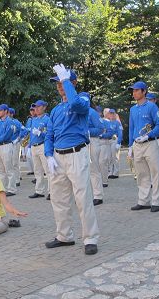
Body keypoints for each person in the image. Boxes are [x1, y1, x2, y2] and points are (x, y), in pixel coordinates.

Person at [44, 64, 99, 255]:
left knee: (83, 198)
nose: (59, 85)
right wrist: (49, 154)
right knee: (59, 199)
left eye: (62, 81)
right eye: (57, 82)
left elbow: (76, 104)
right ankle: (64, 236)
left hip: (77, 153)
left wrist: (67, 81)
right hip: (58, 157)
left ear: (72, 82)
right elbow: (49, 134)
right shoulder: (56, 109)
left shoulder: (82, 98)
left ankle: (90, 238)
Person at [127, 81, 159, 213]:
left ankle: (156, 201)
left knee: (155, 171)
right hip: (137, 144)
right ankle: (143, 200)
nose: (134, 93)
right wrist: (130, 145)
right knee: (141, 173)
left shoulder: (152, 107)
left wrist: (149, 135)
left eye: (137, 90)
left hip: (150, 143)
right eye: (133, 90)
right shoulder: (133, 109)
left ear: (144, 92)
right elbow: (131, 127)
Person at [0, 104, 16, 196]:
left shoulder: (10, 122)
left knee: (8, 168)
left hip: (6, 145)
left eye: (0, 110)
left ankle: (12, 189)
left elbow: (7, 135)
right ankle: (2, 188)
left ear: (6, 111)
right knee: (0, 169)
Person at [27, 100, 50, 199]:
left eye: (38, 107)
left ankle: (52, 191)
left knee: (47, 169)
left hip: (43, 145)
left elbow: (50, 134)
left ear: (44, 107)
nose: (35, 109)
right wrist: (29, 145)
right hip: (34, 146)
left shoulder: (47, 119)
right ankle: (39, 190)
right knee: (37, 170)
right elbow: (31, 135)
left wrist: (41, 133)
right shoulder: (33, 120)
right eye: (34, 107)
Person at [88, 104, 105, 206]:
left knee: (93, 169)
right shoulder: (76, 112)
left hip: (92, 141)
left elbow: (101, 129)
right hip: (79, 141)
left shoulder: (92, 113)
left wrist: (87, 131)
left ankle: (98, 195)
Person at [9, 108, 23, 187]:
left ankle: (17, 179)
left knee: (15, 162)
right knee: (9, 162)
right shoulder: (6, 122)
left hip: (15, 143)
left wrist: (18, 138)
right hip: (8, 144)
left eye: (9, 113)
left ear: (12, 114)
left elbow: (24, 130)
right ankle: (12, 179)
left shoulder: (16, 122)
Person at [108, 109, 123, 179]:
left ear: (115, 114)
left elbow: (120, 133)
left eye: (113, 113)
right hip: (108, 140)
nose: (111, 115)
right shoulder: (107, 122)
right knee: (109, 157)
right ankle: (110, 172)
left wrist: (118, 142)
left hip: (114, 140)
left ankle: (116, 173)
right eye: (110, 113)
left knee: (115, 157)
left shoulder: (117, 123)